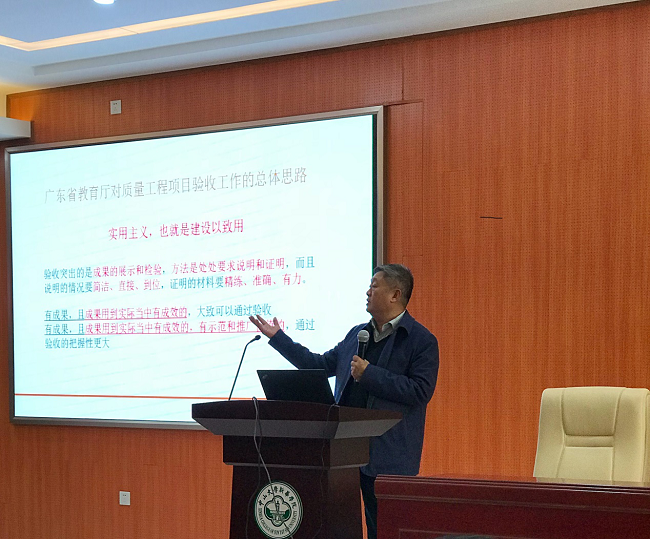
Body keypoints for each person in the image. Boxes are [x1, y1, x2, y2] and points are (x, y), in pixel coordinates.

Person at [249, 263, 439, 539]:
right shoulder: (357, 335)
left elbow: (420, 391)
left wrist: (370, 374)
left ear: (395, 295)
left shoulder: (420, 340)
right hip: (343, 454)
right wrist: (279, 339)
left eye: (374, 286)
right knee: (339, 526)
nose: (367, 292)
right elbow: (318, 364)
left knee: (383, 530)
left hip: (388, 456)